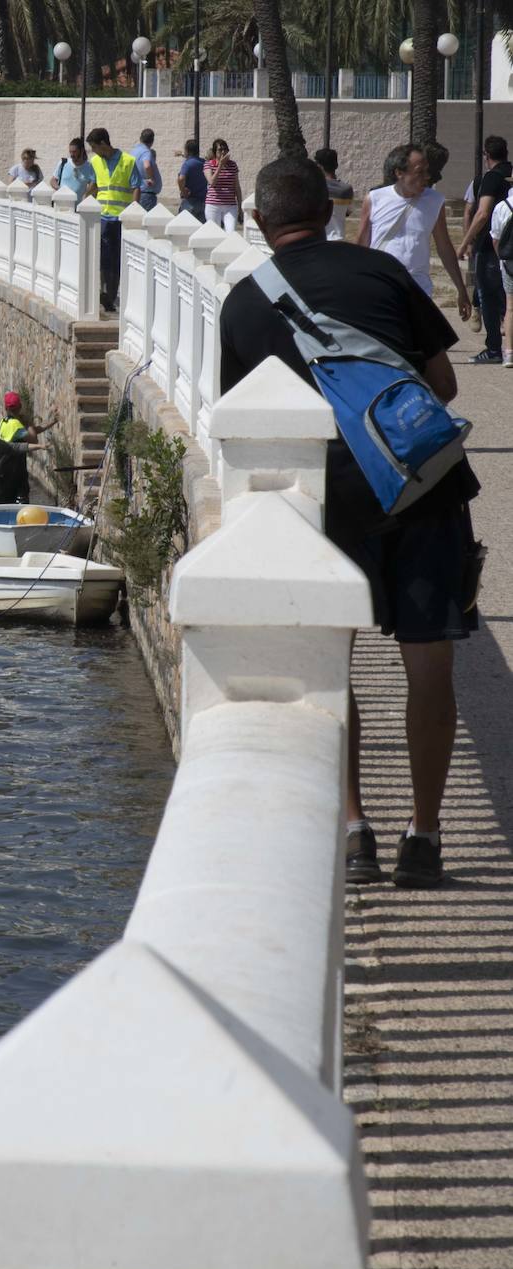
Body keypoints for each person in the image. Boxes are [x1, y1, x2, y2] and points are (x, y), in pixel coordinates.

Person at [220, 155, 481, 889]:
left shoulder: (243, 305)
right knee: (429, 660)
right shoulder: (382, 274)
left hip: (325, 502)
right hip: (423, 486)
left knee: (331, 664)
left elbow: (239, 428)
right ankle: (424, 838)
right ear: (331, 210)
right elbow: (445, 383)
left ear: (258, 221)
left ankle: (354, 831)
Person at [355, 143, 470, 320]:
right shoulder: (374, 199)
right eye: (419, 172)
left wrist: (461, 289)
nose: (426, 177)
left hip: (418, 287)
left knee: (420, 343)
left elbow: (444, 247)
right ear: (399, 173)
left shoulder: (435, 201)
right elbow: (362, 245)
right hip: (382, 284)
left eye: (427, 171)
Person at [457, 135, 513, 363]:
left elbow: (482, 213)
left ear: (486, 156)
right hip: (510, 248)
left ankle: (493, 349)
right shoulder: (510, 174)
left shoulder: (491, 177)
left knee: (489, 298)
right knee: (508, 299)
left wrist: (464, 243)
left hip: (491, 247)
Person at [84, 126, 142, 313]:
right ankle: (103, 293)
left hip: (119, 218)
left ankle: (110, 294)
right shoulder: (95, 162)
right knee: (100, 256)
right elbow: (94, 185)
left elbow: (135, 187)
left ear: (103, 144)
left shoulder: (128, 161)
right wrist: (83, 205)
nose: (93, 151)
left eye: (94, 147)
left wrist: (132, 212)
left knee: (115, 259)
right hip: (101, 216)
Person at [490, 183, 513, 366]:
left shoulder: (502, 206)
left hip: (509, 262)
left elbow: (496, 239)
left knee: (510, 308)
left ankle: (509, 353)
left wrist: (501, 259)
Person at [313, 147, 353, 241]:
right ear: (336, 165)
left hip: (319, 241)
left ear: (320, 166)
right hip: (339, 240)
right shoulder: (347, 189)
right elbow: (347, 212)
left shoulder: (314, 187)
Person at [204, 138, 242, 231]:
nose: (223, 152)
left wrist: (240, 206)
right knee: (215, 233)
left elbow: (237, 186)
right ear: (214, 152)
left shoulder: (232, 165)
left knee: (231, 232)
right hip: (213, 205)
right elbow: (212, 182)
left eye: (225, 149)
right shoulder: (208, 164)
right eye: (220, 150)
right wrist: (220, 166)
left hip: (230, 205)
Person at [462, 178, 482, 333]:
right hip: (483, 240)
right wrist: (468, 242)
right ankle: (477, 307)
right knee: (481, 279)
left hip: (505, 238)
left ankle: (503, 316)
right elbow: (468, 212)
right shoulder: (478, 182)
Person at [49, 138, 96, 202]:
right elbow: (53, 180)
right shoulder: (63, 162)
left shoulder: (89, 167)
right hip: (61, 205)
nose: (71, 155)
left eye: (74, 152)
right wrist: (59, 189)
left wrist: (86, 194)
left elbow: (93, 183)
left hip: (78, 208)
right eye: (70, 152)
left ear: (82, 151)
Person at [130, 127, 162, 212]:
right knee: (146, 222)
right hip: (146, 193)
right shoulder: (146, 152)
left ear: (140, 138)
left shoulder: (133, 151)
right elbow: (147, 165)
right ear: (152, 140)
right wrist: (151, 178)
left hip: (135, 192)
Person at [177, 138, 207, 221]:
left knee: (185, 229)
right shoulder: (204, 163)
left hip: (189, 202)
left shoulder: (187, 164)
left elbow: (181, 178)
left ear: (187, 150)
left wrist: (183, 191)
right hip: (203, 203)